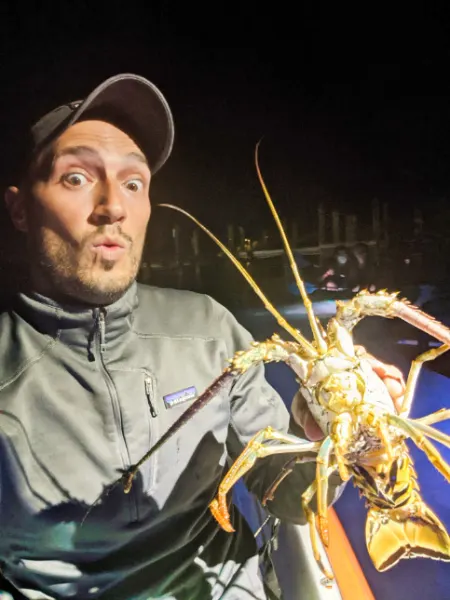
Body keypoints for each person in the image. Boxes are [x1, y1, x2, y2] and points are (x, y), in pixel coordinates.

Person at [0, 74, 406, 600]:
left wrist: (340, 443)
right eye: (76, 178)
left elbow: (287, 496)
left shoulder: (210, 329)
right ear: (19, 208)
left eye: (133, 183)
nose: (113, 207)